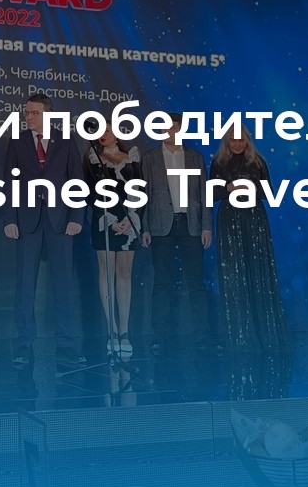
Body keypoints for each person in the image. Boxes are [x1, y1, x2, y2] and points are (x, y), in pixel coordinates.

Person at [4, 93, 86, 366]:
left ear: (48, 115)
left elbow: (76, 180)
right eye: (26, 112)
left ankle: (67, 345)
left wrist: (76, 216)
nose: (28, 117)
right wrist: (10, 218)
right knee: (25, 286)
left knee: (63, 284)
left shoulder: (66, 140)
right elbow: (9, 182)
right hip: (26, 220)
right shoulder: (17, 141)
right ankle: (24, 345)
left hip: (60, 219)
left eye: (34, 113)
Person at [210, 127, 290, 353]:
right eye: (232, 140)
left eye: (241, 139)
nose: (237, 144)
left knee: (258, 271)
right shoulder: (218, 163)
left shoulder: (258, 161)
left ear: (247, 140)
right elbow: (211, 193)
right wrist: (228, 187)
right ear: (227, 142)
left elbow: (270, 194)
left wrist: (253, 187)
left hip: (254, 219)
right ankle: (242, 336)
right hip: (229, 220)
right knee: (234, 274)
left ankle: (267, 333)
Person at [140, 112, 215, 352]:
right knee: (162, 281)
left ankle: (202, 337)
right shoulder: (150, 157)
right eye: (165, 127)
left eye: (174, 127)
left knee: (196, 282)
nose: (169, 131)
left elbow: (204, 193)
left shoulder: (195, 156)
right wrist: (145, 227)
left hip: (191, 223)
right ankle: (159, 337)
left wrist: (207, 226)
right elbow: (143, 194)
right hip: (160, 224)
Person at [83, 122, 142, 355]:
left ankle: (124, 330)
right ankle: (112, 330)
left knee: (124, 273)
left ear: (117, 134)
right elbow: (89, 192)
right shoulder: (92, 159)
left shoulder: (132, 157)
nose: (102, 135)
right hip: (104, 219)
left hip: (129, 219)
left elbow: (140, 189)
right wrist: (108, 219)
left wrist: (131, 218)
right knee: (106, 272)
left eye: (107, 130)